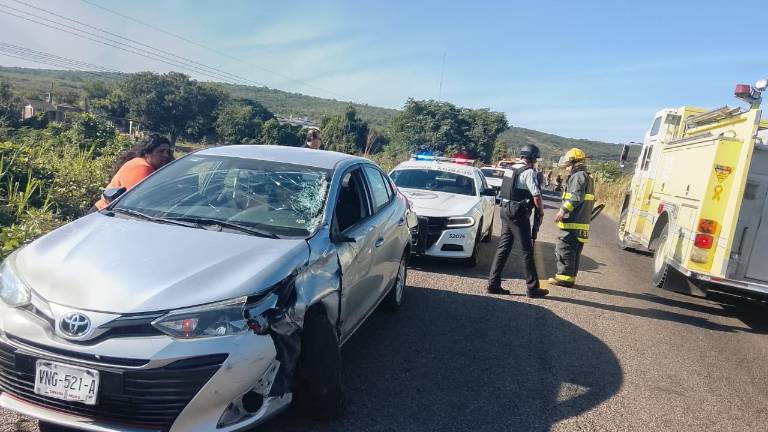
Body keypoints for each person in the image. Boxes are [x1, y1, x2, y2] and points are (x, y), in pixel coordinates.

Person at [487, 144, 549, 298]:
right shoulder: (528, 172)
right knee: (527, 250)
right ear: (532, 158)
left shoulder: (510, 169)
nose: (535, 161)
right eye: (535, 159)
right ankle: (532, 288)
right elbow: (536, 196)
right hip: (518, 213)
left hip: (505, 209)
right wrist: (541, 213)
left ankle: (493, 284)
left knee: (503, 247)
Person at [548, 148, 595, 288]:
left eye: (568, 165)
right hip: (580, 222)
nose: (567, 168)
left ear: (574, 163)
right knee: (573, 252)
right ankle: (569, 278)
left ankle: (563, 279)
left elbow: (576, 197)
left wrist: (563, 210)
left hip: (573, 222)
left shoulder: (578, 176)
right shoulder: (586, 176)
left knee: (565, 249)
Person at [93, 134, 173, 211]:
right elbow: (139, 201)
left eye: (167, 152)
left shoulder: (150, 167)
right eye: (161, 151)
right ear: (147, 153)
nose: (166, 155)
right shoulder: (141, 167)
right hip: (105, 213)